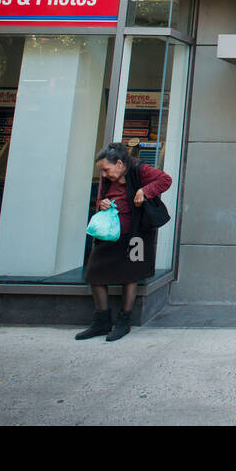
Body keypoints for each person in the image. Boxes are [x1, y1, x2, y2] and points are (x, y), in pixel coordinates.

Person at [77, 142, 173, 342]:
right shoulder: (108, 179)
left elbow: (165, 180)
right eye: (102, 171)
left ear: (120, 164)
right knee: (95, 273)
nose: (104, 175)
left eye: (106, 169)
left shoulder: (139, 169)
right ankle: (101, 320)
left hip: (135, 232)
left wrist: (144, 191)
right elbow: (100, 198)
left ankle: (124, 321)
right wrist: (100, 203)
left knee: (131, 275)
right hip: (108, 232)